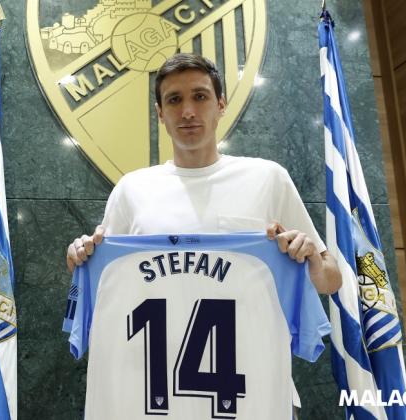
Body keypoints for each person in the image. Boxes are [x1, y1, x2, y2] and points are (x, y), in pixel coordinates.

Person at [66, 52, 341, 295]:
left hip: (249, 354)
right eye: (174, 100)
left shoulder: (268, 178)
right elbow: (102, 279)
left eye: (200, 97)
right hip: (155, 353)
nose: (187, 112)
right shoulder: (132, 189)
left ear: (221, 104)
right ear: (160, 113)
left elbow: (331, 282)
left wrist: (312, 261)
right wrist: (80, 257)